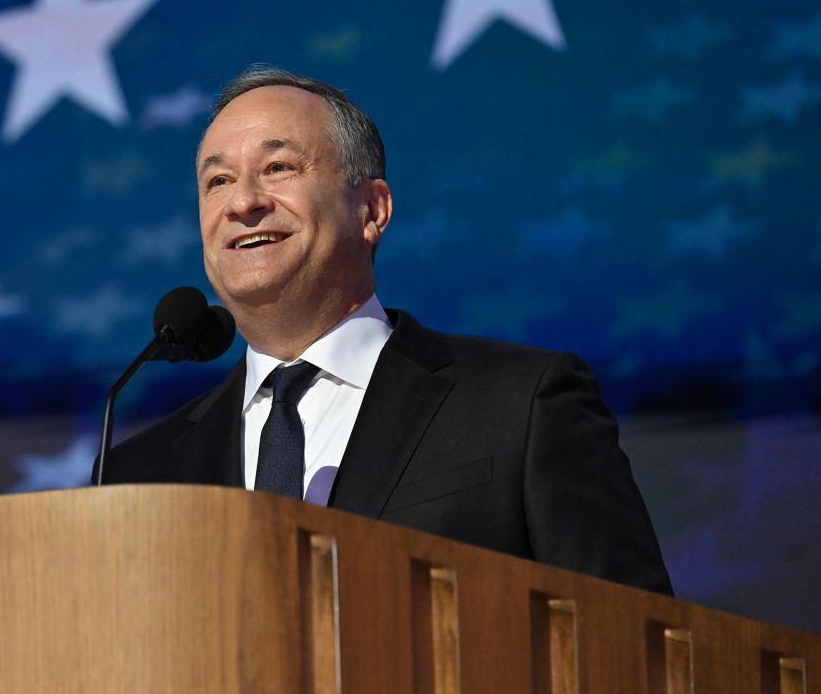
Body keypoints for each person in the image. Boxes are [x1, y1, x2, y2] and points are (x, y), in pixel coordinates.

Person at [100, 66, 673, 595]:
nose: (243, 202)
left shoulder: (522, 406)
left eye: (278, 168)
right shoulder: (134, 475)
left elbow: (635, 644)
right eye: (218, 181)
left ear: (371, 210)